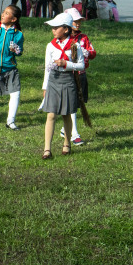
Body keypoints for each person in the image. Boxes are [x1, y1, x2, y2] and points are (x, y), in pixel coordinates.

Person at [41, 12, 85, 160]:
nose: (53, 30)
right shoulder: (50, 46)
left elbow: (81, 65)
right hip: (54, 80)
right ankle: (47, 148)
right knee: (51, 114)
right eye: (52, 28)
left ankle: (67, 143)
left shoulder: (75, 45)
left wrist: (66, 64)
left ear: (66, 29)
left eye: (56, 27)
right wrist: (45, 87)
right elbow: (47, 67)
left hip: (68, 80)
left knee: (66, 114)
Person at [58, 7, 96, 146]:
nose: (78, 23)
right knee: (72, 103)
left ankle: (64, 129)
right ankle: (74, 134)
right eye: (75, 21)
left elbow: (93, 52)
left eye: (79, 21)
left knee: (79, 103)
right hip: (68, 74)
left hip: (81, 74)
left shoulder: (83, 37)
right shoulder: (63, 38)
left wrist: (87, 53)